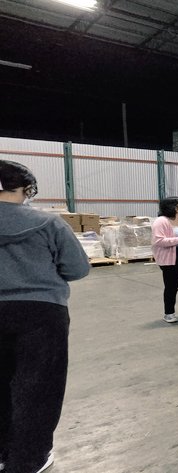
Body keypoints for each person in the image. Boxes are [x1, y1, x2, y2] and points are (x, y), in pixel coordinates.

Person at [0, 160, 90, 473]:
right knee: (38, 389)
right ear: (26, 189)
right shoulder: (47, 223)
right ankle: (28, 460)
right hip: (41, 312)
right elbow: (77, 268)